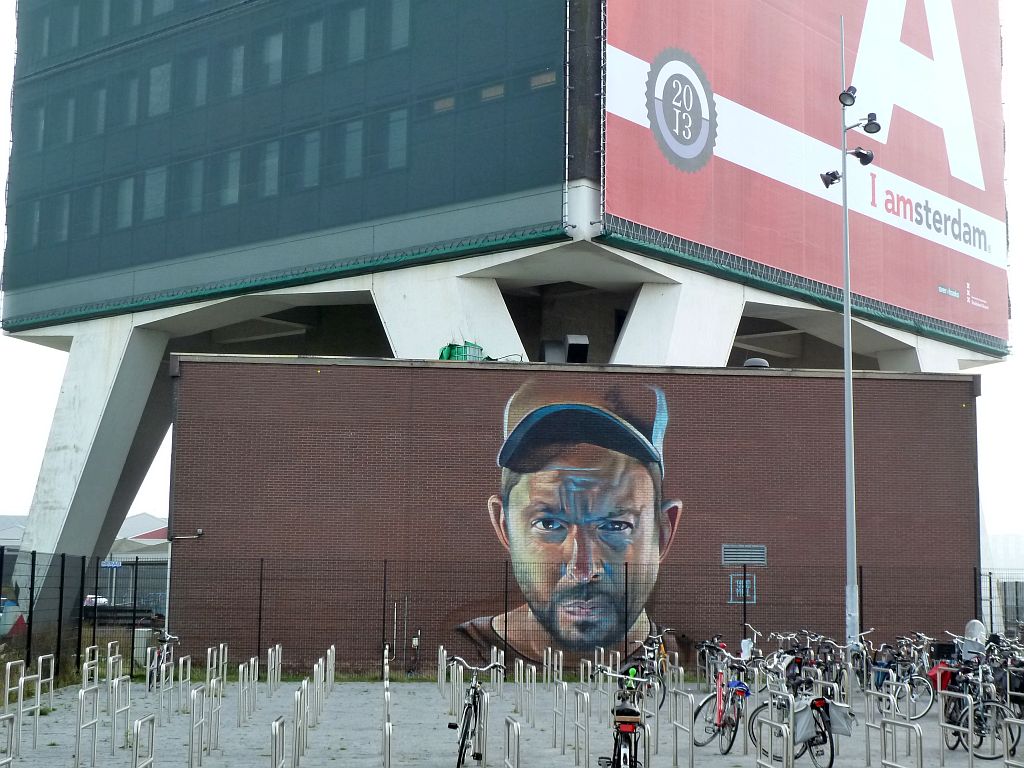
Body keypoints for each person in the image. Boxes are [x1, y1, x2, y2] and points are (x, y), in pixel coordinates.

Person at [457, 379, 682, 665]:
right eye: (549, 524)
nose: (583, 569)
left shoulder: (690, 660)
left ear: (663, 534)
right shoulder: (464, 650)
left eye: (614, 526)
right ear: (505, 528)